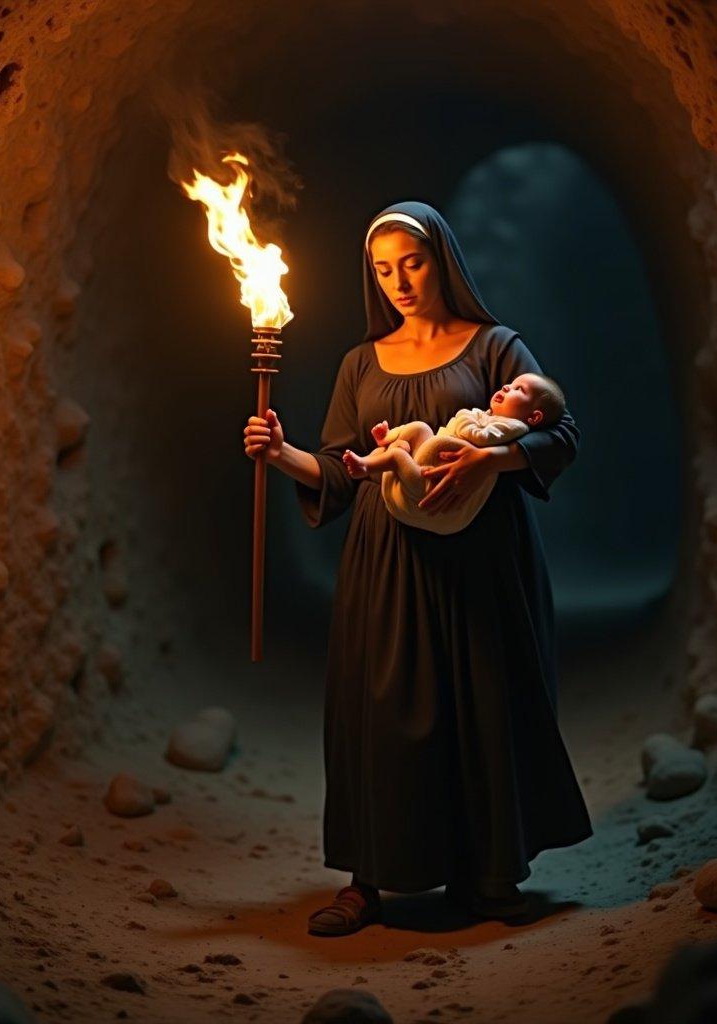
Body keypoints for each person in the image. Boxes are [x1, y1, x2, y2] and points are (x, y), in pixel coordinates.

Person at [242, 201, 593, 937]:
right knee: (383, 708)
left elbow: (559, 431)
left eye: (413, 262)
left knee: (481, 701)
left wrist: (492, 456)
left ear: (444, 260)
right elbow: (342, 472)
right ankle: (368, 880)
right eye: (383, 268)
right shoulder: (359, 363)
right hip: (388, 558)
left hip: (481, 558)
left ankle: (487, 872)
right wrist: (280, 454)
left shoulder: (495, 346)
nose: (399, 280)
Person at [340, 372, 566, 535]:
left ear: (534, 417)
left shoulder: (514, 427)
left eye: (519, 390)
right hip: (425, 469)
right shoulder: (494, 418)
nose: (507, 387)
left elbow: (478, 436)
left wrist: (466, 415)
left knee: (399, 456)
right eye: (510, 383)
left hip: (429, 483)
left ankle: (366, 466)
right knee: (420, 428)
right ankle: (386, 440)